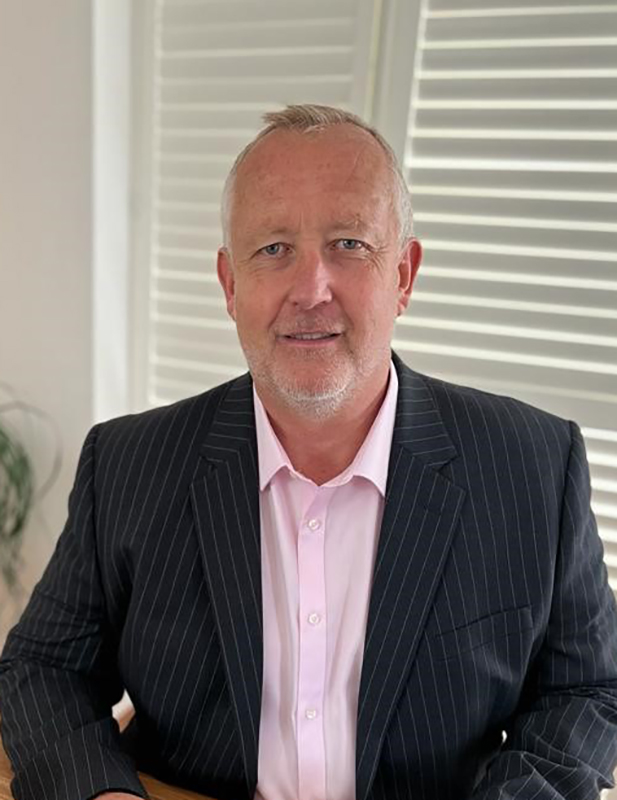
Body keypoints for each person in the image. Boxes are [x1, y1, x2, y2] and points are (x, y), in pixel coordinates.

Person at [1, 104, 617, 800]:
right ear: (230, 285)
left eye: (349, 243)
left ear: (403, 275)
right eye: (273, 249)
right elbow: (42, 668)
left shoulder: (534, 465)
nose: (310, 289)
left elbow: (588, 688)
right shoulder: (127, 463)